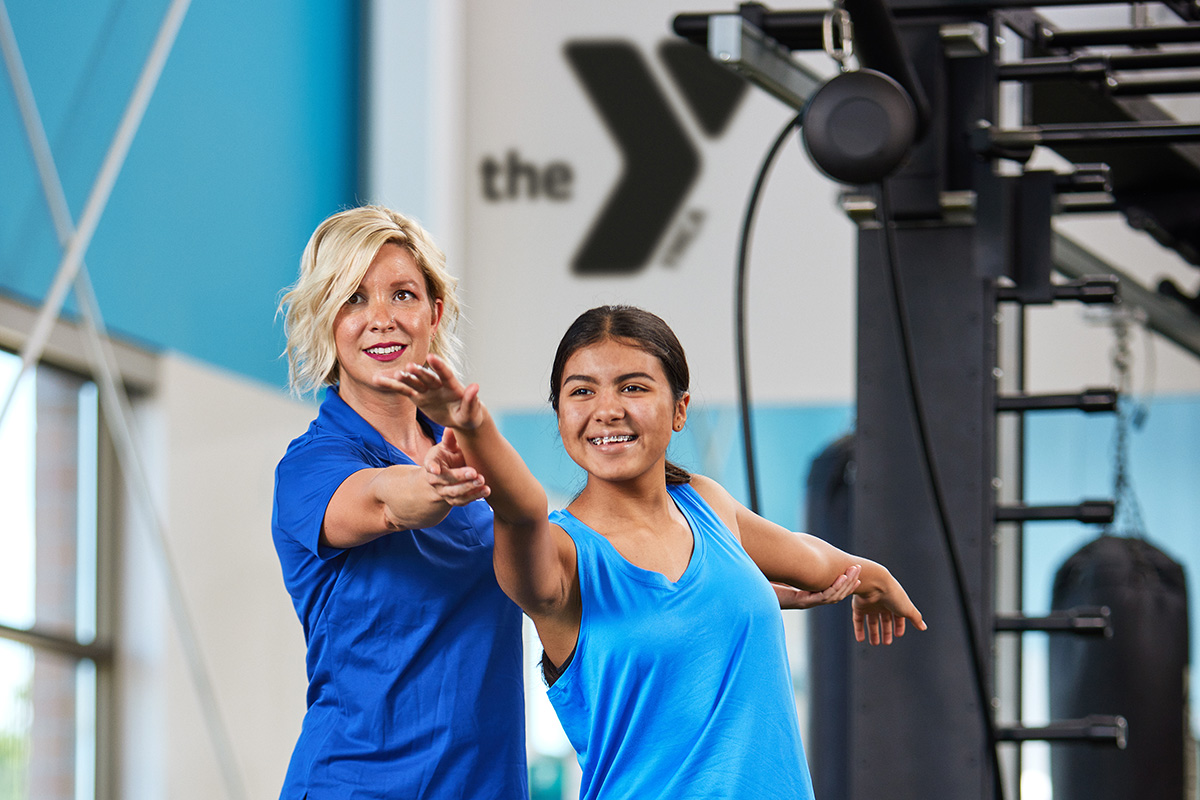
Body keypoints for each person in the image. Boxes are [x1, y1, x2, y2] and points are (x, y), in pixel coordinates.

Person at [387, 304, 927, 800]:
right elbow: (519, 509)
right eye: (581, 392)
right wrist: (469, 422)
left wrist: (875, 579)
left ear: (679, 409)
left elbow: (813, 560)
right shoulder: (560, 557)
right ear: (559, 415)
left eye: (634, 387)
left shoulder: (708, 504)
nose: (607, 410)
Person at [270, 206, 528, 799]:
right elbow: (385, 502)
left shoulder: (464, 448)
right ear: (326, 320)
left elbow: (558, 559)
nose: (380, 320)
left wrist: (697, 584)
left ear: (434, 313)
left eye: (402, 295)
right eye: (353, 299)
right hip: (357, 783)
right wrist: (433, 485)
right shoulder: (313, 466)